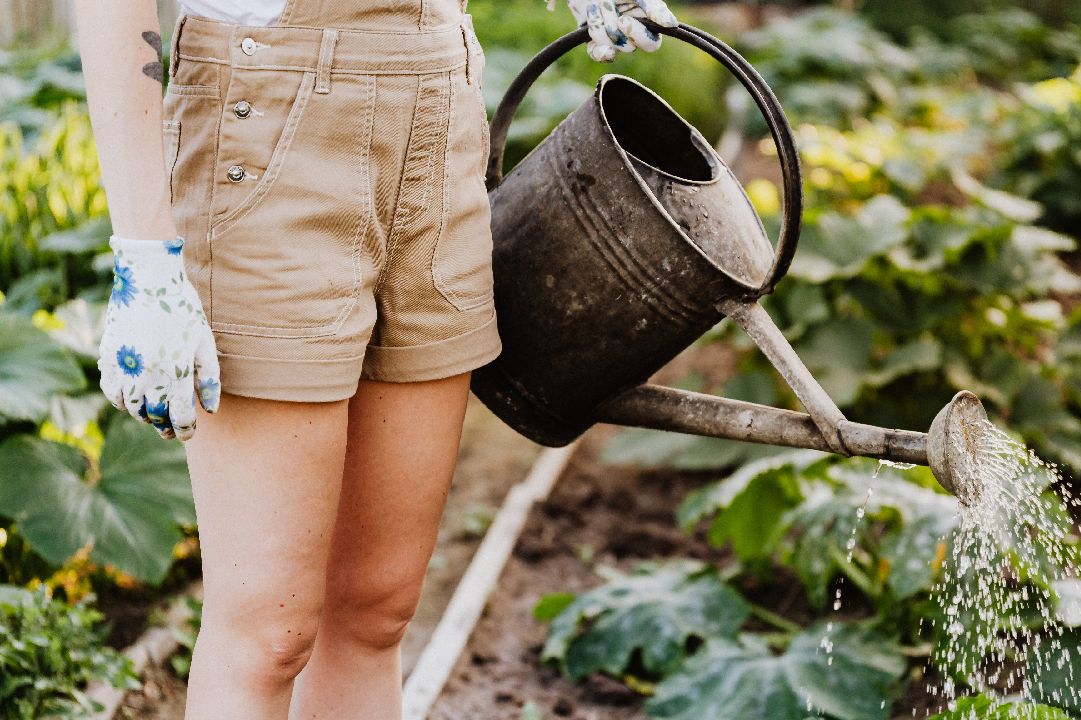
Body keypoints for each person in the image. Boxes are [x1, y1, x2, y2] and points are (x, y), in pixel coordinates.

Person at [72, 0, 677, 717]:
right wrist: (144, 251)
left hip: (439, 103)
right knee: (270, 632)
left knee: (376, 609)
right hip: (269, 119)